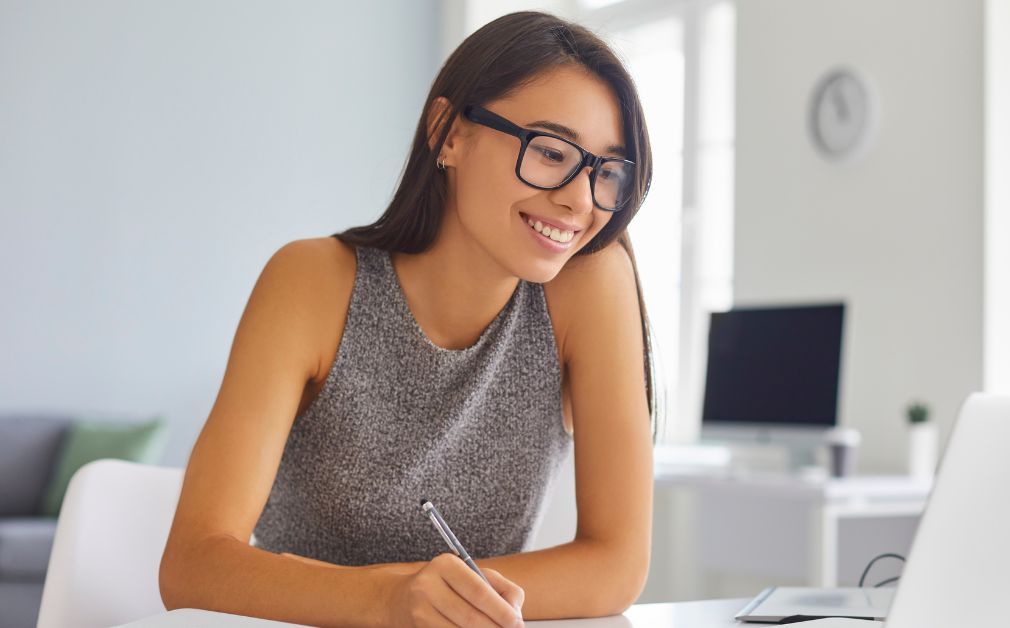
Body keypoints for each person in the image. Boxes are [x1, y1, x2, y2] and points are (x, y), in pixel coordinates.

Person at [158, 11, 657, 628]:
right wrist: (391, 600)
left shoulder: (590, 283)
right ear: (449, 133)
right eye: (551, 151)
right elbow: (192, 565)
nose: (580, 201)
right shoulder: (311, 282)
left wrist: (434, 601)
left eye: (605, 171)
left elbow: (616, 564)